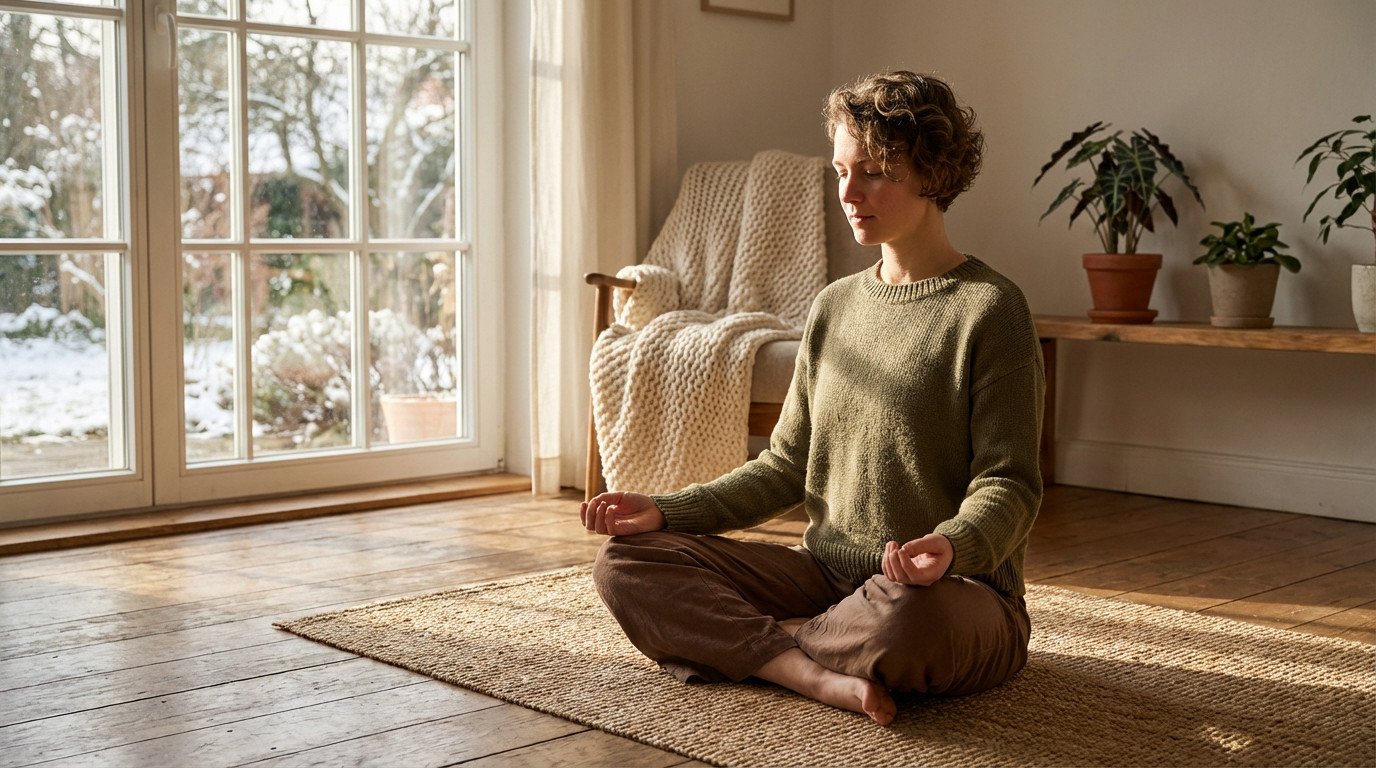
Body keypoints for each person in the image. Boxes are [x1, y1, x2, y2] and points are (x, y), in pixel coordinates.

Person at [580, 70, 1044, 726]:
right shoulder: (834, 306)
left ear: (933, 171)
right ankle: (812, 670)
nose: (849, 193)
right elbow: (784, 467)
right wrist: (666, 510)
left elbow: (1010, 483)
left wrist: (951, 544)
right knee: (627, 565)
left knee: (911, 622)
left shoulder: (990, 309)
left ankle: (764, 643)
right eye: (840, 170)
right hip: (826, 576)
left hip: (949, 594)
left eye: (874, 172)